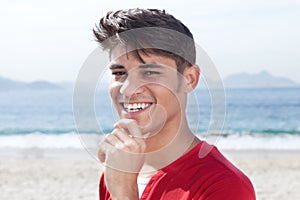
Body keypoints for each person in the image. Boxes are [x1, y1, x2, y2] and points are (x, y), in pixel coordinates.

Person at [93, 8, 255, 200]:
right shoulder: (117, 171)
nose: (128, 89)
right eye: (119, 73)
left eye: (149, 73)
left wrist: (125, 194)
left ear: (189, 78)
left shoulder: (224, 186)